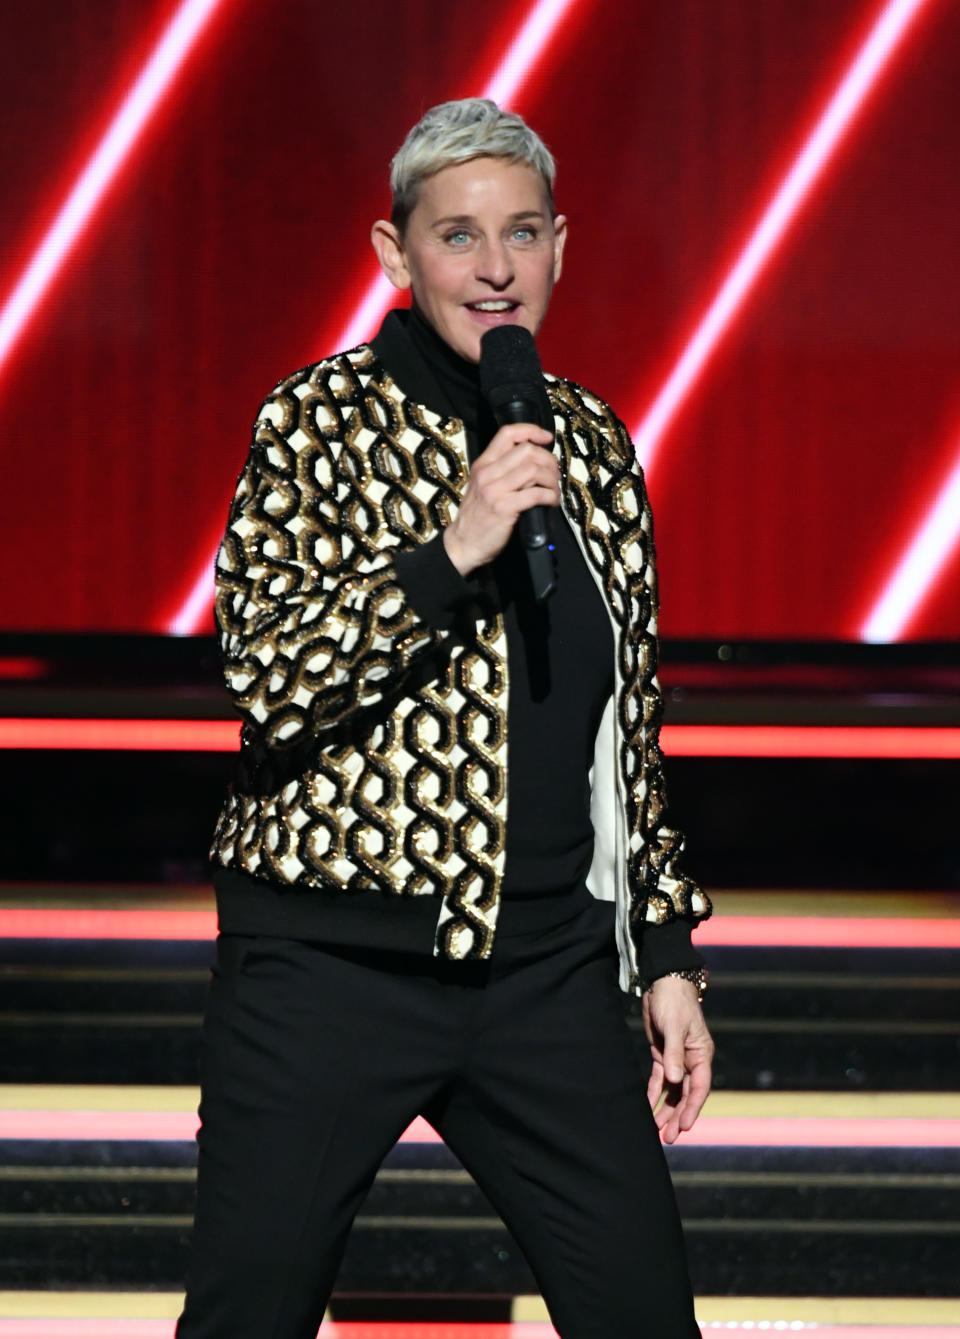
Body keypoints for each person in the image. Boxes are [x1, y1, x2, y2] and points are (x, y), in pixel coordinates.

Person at [176, 97, 714, 1339]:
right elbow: (268, 677)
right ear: (394, 252)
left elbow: (623, 724)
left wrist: (664, 947)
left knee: (642, 1314)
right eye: (458, 236)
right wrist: (450, 550)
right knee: (245, 1316)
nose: (493, 267)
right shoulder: (316, 424)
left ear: (561, 248)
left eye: (521, 234)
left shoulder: (590, 441)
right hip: (330, 968)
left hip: (546, 974)